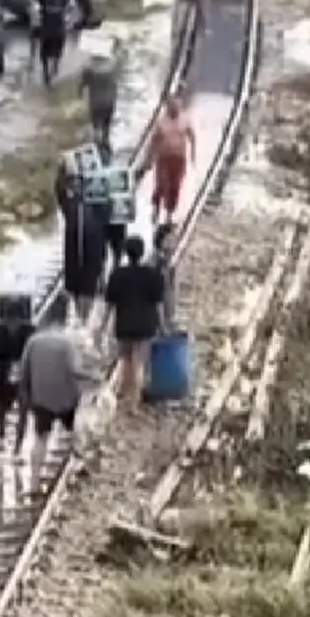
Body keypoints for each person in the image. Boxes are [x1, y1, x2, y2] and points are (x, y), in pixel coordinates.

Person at [17, 291, 83, 489]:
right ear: (65, 318)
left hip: (41, 398)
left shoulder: (34, 341)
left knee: (40, 437)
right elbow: (76, 370)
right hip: (67, 399)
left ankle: (34, 480)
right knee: (76, 433)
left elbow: (24, 372)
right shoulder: (69, 343)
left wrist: (27, 397)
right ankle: (76, 471)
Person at [102, 233, 165, 409]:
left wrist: (101, 328)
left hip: (123, 324)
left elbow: (109, 305)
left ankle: (116, 396)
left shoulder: (117, 275)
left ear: (125, 253)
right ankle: (134, 402)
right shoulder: (152, 275)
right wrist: (163, 326)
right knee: (139, 362)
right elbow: (158, 305)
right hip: (145, 325)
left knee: (123, 359)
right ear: (142, 252)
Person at [0, 289, 35, 445]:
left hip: (3, 369)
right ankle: (18, 442)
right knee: (23, 408)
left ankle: (1, 434)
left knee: (1, 404)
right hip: (24, 371)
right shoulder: (30, 330)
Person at [151, 92, 196, 227]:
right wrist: (150, 158)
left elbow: (192, 137)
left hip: (179, 159)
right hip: (164, 159)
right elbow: (154, 141)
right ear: (168, 106)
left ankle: (169, 214)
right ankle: (156, 208)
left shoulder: (185, 120)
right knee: (162, 184)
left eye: (177, 104)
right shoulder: (161, 122)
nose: (175, 107)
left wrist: (193, 154)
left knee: (175, 186)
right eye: (172, 105)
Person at [34, 0, 69, 86]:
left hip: (48, 30)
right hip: (57, 29)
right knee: (57, 49)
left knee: (44, 52)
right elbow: (70, 5)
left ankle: (47, 72)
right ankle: (53, 67)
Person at [80, 50, 118, 147]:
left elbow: (82, 85)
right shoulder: (112, 65)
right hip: (110, 102)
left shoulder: (89, 68)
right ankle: (106, 144)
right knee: (106, 126)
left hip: (96, 102)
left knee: (96, 126)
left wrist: (80, 95)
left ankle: (97, 145)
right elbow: (115, 85)